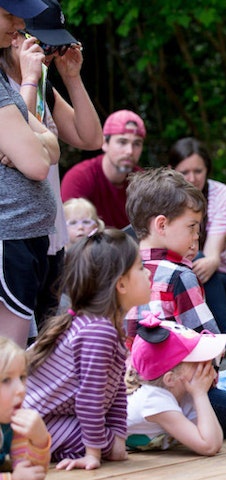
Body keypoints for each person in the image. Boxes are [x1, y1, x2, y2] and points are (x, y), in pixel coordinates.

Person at [123, 167, 226, 439]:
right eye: (192, 227)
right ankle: (172, 427)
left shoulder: (121, 268)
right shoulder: (180, 275)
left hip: (125, 390)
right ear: (161, 225)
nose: (197, 237)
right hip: (174, 392)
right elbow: (207, 343)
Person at [0, 0, 103, 329]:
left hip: (51, 234)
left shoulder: (44, 84)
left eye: (56, 47)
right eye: (43, 45)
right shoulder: (9, 86)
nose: (48, 56)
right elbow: (17, 154)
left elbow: (91, 139)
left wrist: (71, 77)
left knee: (44, 339)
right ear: (18, 36)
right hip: (15, 233)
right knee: (16, 345)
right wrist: (29, 81)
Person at [24, 229, 151, 470]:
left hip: (58, 419)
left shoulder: (106, 326)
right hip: (30, 424)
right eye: (141, 267)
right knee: (103, 444)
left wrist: (119, 440)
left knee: (111, 445)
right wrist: (93, 453)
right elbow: (89, 397)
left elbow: (116, 393)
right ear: (121, 284)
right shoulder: (98, 331)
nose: (148, 274)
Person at [0, 0, 61, 348]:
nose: (21, 23)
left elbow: (52, 147)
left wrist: (26, 142)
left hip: (24, 239)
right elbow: (39, 165)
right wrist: (31, 81)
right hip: (8, 241)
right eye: (10, 14)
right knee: (9, 360)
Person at [167, 137, 226, 367]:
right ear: (173, 171)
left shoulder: (222, 195)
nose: (192, 179)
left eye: (198, 171)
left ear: (207, 170)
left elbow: (212, 256)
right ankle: (225, 339)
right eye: (185, 172)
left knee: (202, 261)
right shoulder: (165, 200)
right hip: (177, 280)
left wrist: (206, 260)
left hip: (219, 282)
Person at [126, 318, 225, 456]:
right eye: (197, 362)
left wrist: (198, 394)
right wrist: (200, 394)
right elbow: (208, 446)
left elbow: (215, 441)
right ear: (170, 379)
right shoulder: (153, 399)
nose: (206, 364)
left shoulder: (183, 391)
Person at [61, 109, 146, 229]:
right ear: (105, 143)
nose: (129, 151)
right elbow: (72, 233)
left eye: (137, 144)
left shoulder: (144, 183)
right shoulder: (79, 177)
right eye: (122, 142)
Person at [0, 337, 50, 480]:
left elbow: (32, 474)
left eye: (22, 377)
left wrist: (40, 440)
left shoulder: (14, 420)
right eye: (6, 380)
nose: (21, 389)